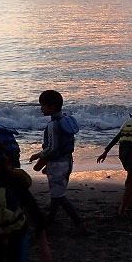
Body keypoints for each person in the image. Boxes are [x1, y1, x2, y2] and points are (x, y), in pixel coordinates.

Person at [29, 90, 87, 234]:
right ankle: (51, 219)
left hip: (57, 165)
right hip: (68, 161)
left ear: (52, 106)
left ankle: (79, 224)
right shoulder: (66, 120)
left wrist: (37, 155)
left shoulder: (53, 125)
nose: (41, 108)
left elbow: (52, 147)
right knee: (56, 192)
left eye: (43, 105)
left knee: (59, 196)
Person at [97, 100, 132, 215]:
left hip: (123, 154)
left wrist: (105, 152)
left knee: (130, 178)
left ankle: (129, 200)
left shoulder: (129, 122)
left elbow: (117, 137)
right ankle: (123, 208)